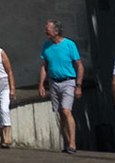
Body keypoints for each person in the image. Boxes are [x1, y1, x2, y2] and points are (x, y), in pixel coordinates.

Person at [38, 20, 82, 154]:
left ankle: (73, 144)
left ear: (56, 31)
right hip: (54, 82)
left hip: (68, 81)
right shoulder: (46, 46)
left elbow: (79, 65)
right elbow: (44, 66)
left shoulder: (69, 45)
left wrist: (78, 85)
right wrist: (41, 84)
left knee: (66, 111)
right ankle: (68, 142)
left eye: (48, 29)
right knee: (60, 113)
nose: (45, 31)